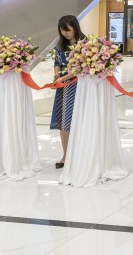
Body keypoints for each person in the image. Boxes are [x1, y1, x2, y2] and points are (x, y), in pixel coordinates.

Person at [50, 15, 85, 169]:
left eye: (67, 30)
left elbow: (80, 68)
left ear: (75, 28)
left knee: (79, 120)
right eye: (62, 30)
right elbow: (57, 62)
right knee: (64, 121)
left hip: (79, 85)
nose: (64, 33)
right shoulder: (60, 45)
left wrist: (63, 77)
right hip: (64, 87)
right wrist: (57, 74)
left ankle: (80, 155)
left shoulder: (85, 43)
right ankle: (66, 156)